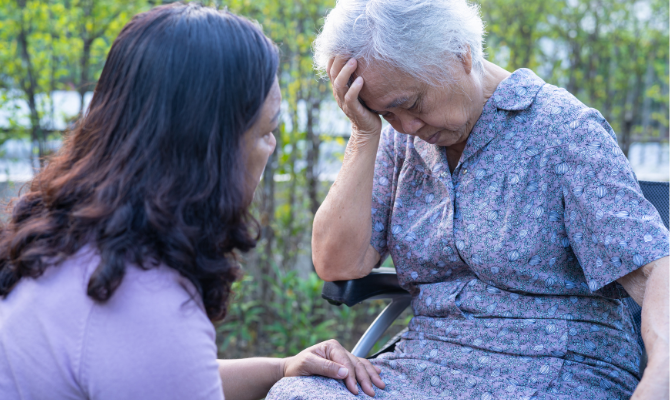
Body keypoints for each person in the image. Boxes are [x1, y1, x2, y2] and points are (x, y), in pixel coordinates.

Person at [267, 0, 669, 399]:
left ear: (460, 54)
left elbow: (654, 272)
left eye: (410, 103)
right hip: (426, 363)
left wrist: (658, 382)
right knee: (298, 394)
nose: (405, 126)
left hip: (557, 365)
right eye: (385, 113)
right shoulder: (399, 139)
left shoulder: (562, 131)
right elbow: (337, 262)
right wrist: (364, 133)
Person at [0, 4, 385, 400]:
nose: (271, 146)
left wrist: (281, 368)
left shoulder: (62, 241)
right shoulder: (144, 300)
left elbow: (147, 373)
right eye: (267, 131)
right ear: (209, 151)